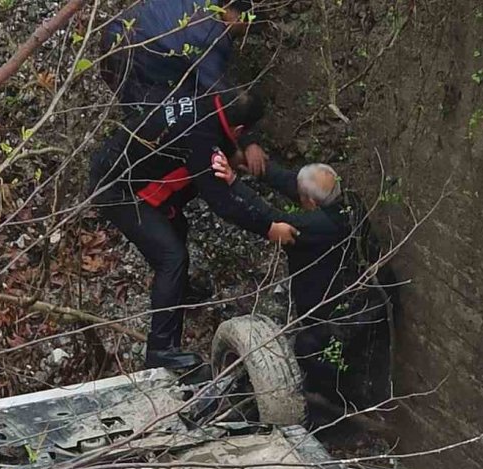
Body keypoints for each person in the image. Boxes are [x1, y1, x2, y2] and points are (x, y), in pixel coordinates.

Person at [89, 87, 296, 370]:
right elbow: (223, 202)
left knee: (176, 225)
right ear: (237, 129)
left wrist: (235, 150)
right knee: (171, 257)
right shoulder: (200, 139)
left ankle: (178, 291)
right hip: (118, 190)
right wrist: (269, 227)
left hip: (123, 164)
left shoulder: (205, 97)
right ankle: (161, 350)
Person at [212, 153, 388, 401]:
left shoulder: (317, 226)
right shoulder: (350, 202)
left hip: (343, 314)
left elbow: (271, 217)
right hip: (365, 296)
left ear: (311, 203)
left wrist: (233, 183)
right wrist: (259, 168)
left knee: (309, 348)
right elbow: (294, 184)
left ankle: (331, 401)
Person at [99, 0, 269, 176]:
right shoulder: (210, 36)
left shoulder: (203, 6)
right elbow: (219, 99)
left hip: (117, 34)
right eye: (246, 25)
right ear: (234, 15)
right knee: (157, 119)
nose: (244, 32)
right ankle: (139, 171)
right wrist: (241, 146)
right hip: (132, 59)